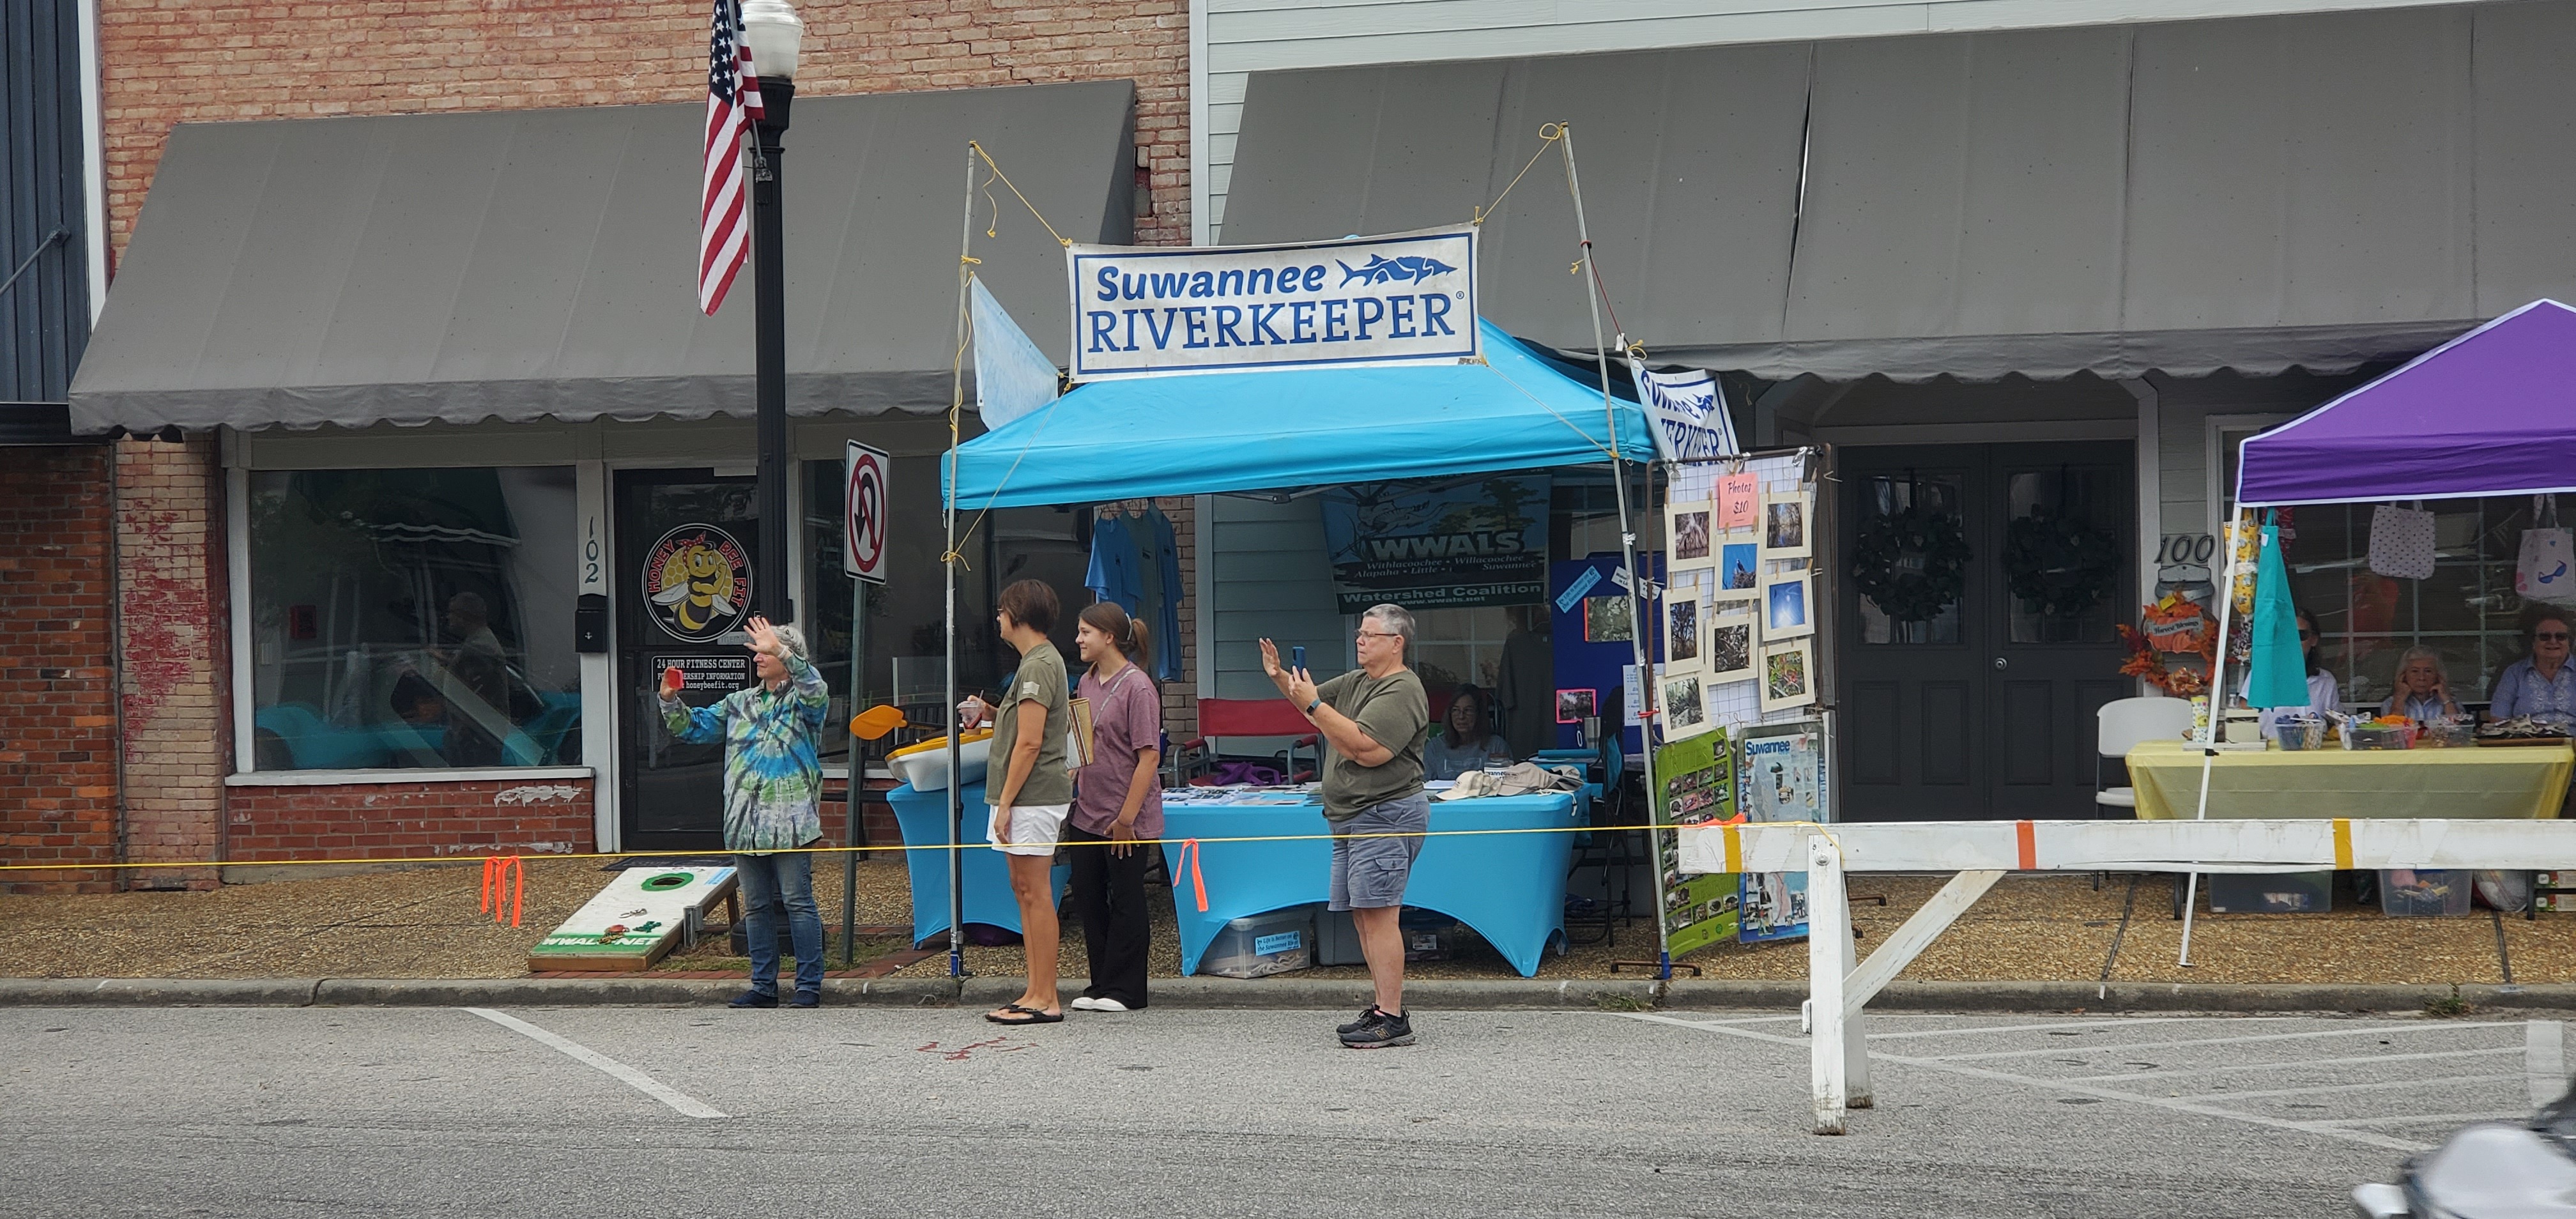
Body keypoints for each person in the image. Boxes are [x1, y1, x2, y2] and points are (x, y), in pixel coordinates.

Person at [1260, 603, 1430, 1050]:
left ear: (1397, 643)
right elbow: (1313, 708)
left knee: (1380, 913)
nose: (1360, 640)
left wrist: (1312, 703)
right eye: (1359, 633)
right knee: (1364, 914)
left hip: (1385, 812)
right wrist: (1282, 678)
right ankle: (1382, 1008)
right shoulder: (1357, 682)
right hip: (1350, 815)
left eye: (1370, 635)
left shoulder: (1402, 690)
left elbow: (1366, 748)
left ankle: (1392, 1017)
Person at [660, 615, 830, 1009]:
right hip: (743, 824)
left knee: (797, 901)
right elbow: (694, 729)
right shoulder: (740, 703)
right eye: (756, 649)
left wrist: (782, 648)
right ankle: (763, 987)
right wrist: (669, 700)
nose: (757, 655)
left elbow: (816, 689)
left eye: (764, 649)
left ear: (787, 656)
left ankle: (808, 986)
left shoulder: (805, 703)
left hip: (790, 824)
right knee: (755, 906)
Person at [969, 579, 1076, 1025]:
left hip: (1032, 796)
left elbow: (1030, 744)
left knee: (1036, 893)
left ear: (1017, 614)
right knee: (1025, 891)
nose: (997, 618)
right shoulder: (1036, 663)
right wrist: (991, 713)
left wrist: (1007, 802)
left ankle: (1046, 997)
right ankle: (1034, 991)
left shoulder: (1037, 666)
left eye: (1001, 611)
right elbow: (1028, 725)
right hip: (1026, 796)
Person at [1066, 601, 1162, 1013]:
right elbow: (1082, 744)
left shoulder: (1138, 687)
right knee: (1089, 896)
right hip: (1087, 811)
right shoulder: (1086, 682)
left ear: (1108, 637)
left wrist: (1126, 819)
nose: (1078, 639)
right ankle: (1101, 983)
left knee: (1126, 898)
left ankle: (1127, 991)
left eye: (1086, 632)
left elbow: (1149, 757)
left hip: (1126, 817)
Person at [2252, 609, 2340, 739]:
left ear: (2314, 640)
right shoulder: (2262, 675)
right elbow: (2244, 720)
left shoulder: (2327, 680)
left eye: (2301, 635)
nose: (2293, 641)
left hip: (2315, 752)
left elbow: (2338, 722)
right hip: (2273, 754)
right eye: (2287, 635)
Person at [2490, 613, 2576, 729]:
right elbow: (2498, 719)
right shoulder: (2514, 673)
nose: (2553, 641)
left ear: (2569, 642)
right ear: (2533, 642)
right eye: (2545, 637)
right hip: (2529, 742)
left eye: (2561, 636)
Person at [1422, 684, 1508, 781]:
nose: (1461, 716)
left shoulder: (1496, 746)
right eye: (1456, 710)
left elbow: (1505, 785)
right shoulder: (1434, 747)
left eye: (1468, 710)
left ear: (1479, 714)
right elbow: (1425, 785)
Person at [2381, 647, 2464, 721]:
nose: (2422, 678)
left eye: (2428, 671)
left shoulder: (2451, 702)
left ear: (2438, 675)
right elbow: (2391, 734)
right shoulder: (2390, 703)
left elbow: (2459, 733)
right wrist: (2400, 699)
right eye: (2415, 671)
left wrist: (2447, 701)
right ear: (2404, 675)